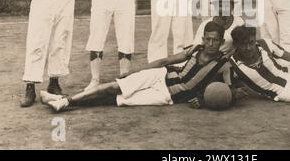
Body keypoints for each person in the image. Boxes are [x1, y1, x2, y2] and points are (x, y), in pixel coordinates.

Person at [41, 22, 233, 112]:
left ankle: (63, 101)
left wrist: (204, 99)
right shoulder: (195, 49)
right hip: (161, 76)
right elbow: (165, 62)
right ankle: (64, 101)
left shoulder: (223, 65)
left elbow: (230, 91)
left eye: (215, 40)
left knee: (117, 100)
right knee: (114, 85)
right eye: (207, 39)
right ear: (203, 38)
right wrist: (137, 71)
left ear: (222, 41)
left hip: (168, 95)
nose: (210, 43)